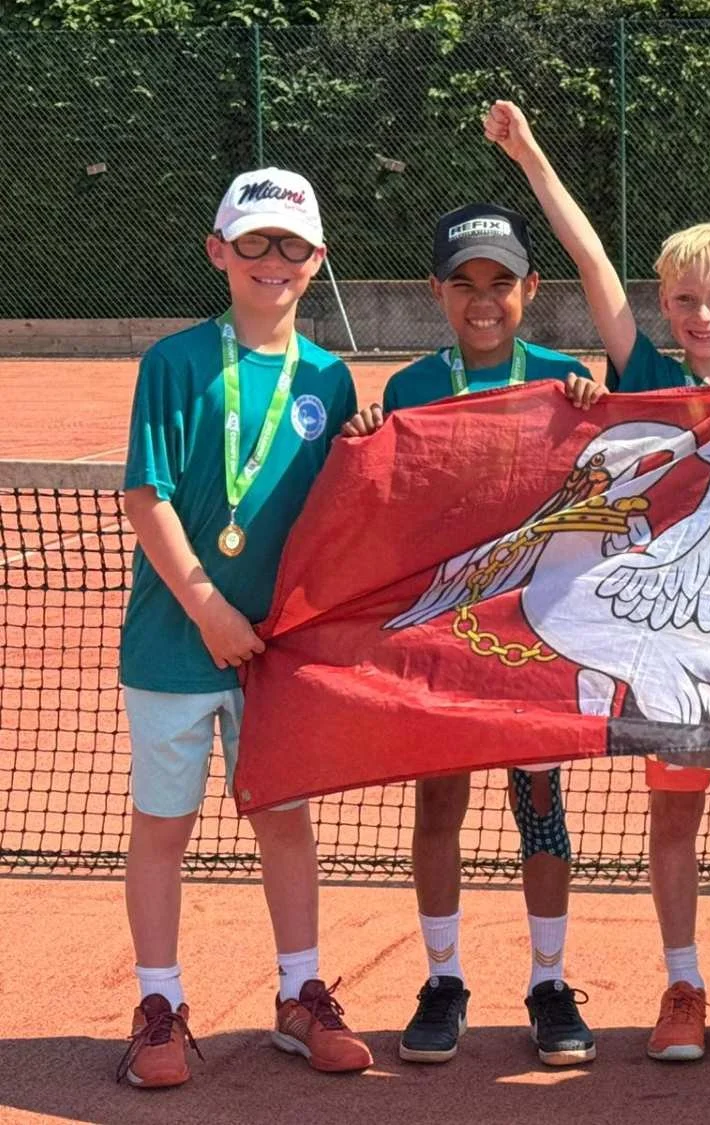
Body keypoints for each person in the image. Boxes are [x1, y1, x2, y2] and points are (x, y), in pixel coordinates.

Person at [485, 98, 710, 1063]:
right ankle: (684, 984)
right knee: (676, 813)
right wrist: (531, 157)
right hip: (666, 654)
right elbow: (591, 265)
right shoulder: (644, 369)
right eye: (687, 300)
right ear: (668, 311)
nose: (703, 316)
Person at [117, 167, 371, 1087]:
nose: (274, 260)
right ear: (219, 251)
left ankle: (301, 996)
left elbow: (348, 512)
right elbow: (147, 497)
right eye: (255, 242)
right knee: (162, 826)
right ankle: (158, 1006)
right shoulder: (176, 363)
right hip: (172, 647)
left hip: (282, 660)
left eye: (291, 245)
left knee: (286, 822)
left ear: (318, 260)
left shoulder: (332, 381)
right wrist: (210, 607)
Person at [341, 200, 605, 1067]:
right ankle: (445, 978)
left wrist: (591, 406)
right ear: (437, 292)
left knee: (541, 810)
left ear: (531, 288)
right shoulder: (411, 390)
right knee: (439, 802)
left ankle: (549, 982)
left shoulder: (563, 377)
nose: (483, 300)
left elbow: (605, 472)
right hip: (444, 638)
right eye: (465, 285)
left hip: (533, 638)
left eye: (501, 283)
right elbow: (388, 501)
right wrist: (365, 440)